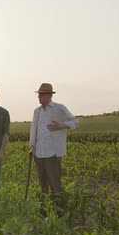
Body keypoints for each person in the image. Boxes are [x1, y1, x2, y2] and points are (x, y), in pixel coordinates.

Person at [29, 83, 78, 215]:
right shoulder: (37, 111)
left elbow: (75, 122)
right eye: (38, 95)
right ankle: (44, 211)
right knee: (43, 185)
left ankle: (60, 212)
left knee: (55, 185)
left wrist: (62, 125)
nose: (39, 97)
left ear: (49, 95)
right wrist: (31, 147)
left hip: (53, 153)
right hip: (38, 153)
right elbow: (34, 130)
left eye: (42, 95)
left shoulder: (59, 108)